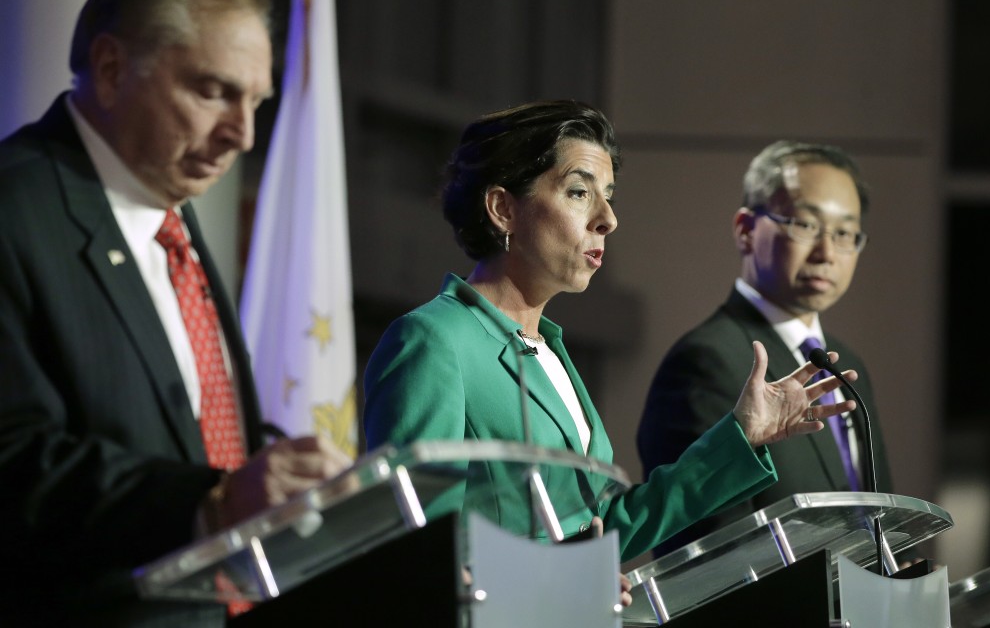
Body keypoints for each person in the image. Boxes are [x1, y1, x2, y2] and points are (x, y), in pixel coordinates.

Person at [0, 0, 349, 625]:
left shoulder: (171, 222)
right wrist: (210, 502)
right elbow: (11, 458)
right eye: (213, 91)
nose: (241, 135)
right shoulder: (17, 211)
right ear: (109, 69)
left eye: (256, 102)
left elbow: (190, 431)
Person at [363, 102, 857, 565]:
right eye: (580, 193)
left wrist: (742, 438)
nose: (609, 219)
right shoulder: (433, 341)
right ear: (502, 209)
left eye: (609, 197)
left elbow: (605, 528)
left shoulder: (549, 352)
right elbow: (415, 550)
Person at [638, 140, 893, 558]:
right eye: (805, 225)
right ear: (745, 229)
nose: (827, 253)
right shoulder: (707, 361)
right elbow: (713, 553)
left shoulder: (846, 364)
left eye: (845, 233)